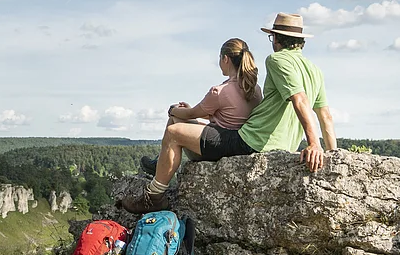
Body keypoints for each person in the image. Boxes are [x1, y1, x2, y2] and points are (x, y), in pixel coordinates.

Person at [119, 13, 336, 214]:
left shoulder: (277, 60)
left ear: (276, 39)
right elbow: (325, 115)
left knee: (174, 132)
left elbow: (299, 99)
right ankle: (159, 172)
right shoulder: (315, 70)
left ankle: (153, 196)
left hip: (252, 141)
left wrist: (313, 144)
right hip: (278, 145)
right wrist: (333, 154)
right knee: (180, 128)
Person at [138, 38, 263, 174]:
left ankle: (159, 166)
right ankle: (159, 161)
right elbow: (228, 112)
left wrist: (173, 110)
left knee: (174, 122)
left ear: (225, 59)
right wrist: (187, 110)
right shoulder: (254, 89)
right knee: (179, 119)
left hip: (218, 146)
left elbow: (191, 114)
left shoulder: (220, 91)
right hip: (239, 143)